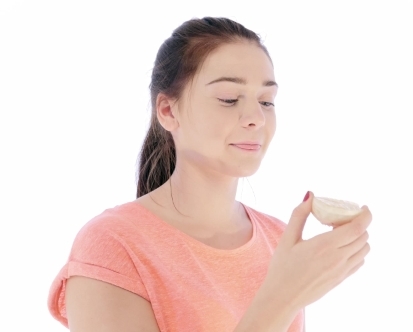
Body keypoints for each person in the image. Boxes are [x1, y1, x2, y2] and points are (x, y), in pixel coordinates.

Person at [47, 17, 372, 332]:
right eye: (229, 99)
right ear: (168, 111)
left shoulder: (278, 240)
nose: (256, 118)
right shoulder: (113, 245)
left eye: (267, 101)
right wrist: (282, 297)